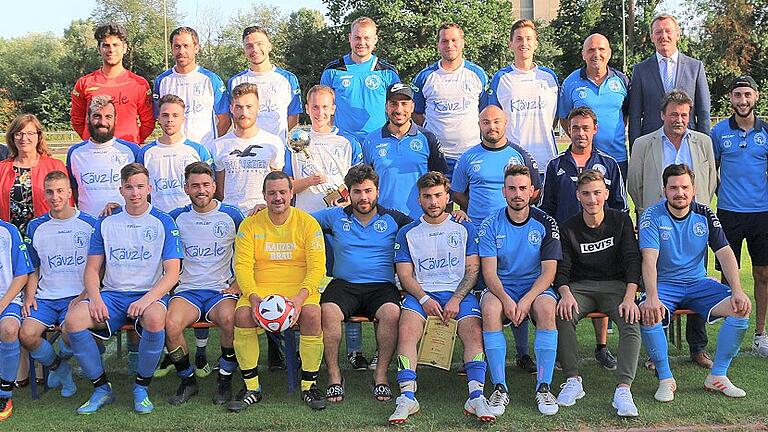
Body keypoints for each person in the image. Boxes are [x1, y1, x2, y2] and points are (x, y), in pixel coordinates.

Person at [64, 163, 182, 415]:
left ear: (149, 188)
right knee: (73, 320)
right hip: (113, 294)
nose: (135, 192)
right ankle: (101, 388)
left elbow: (172, 272)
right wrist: (94, 298)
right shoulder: (107, 223)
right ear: (121, 190)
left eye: (140, 186)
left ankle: (141, 388)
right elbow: (92, 269)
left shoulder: (163, 221)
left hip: (148, 294)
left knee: (154, 318)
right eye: (129, 187)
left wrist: (147, 299)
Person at [639, 164, 752, 402]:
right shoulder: (652, 215)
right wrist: (651, 297)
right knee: (649, 313)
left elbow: (725, 252)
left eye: (684, 187)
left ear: (694, 189)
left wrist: (738, 291)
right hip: (665, 285)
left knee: (740, 309)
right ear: (664, 190)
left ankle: (718, 375)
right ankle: (665, 379)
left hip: (698, 283)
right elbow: (649, 259)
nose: (679, 193)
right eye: (673, 188)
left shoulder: (705, 213)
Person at [388, 171, 494, 424]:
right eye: (427, 197)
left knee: (472, 332)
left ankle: (476, 395)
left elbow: (472, 270)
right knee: (407, 329)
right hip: (422, 295)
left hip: (459, 293)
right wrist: (424, 299)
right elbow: (405, 275)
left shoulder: (464, 227)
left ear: (448, 197)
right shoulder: (407, 232)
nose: (433, 201)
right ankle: (407, 397)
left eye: (438, 195)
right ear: (419, 200)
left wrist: (456, 299)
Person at [627, 90, 716, 369]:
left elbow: (710, 179)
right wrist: (650, 216)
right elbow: (635, 185)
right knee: (657, 284)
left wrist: (696, 212)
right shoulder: (643, 144)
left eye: (684, 114)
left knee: (698, 279)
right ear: (662, 115)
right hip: (657, 224)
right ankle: (658, 350)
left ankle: (698, 347)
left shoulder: (703, 142)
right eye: (674, 114)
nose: (679, 119)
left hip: (693, 224)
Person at [451, 104, 541, 373]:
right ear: (479, 124)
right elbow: (457, 193)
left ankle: (523, 353)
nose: (492, 127)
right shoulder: (467, 158)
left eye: (497, 122)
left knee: (515, 285)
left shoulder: (518, 155)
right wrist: (471, 214)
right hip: (479, 235)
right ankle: (480, 353)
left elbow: (532, 191)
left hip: (513, 233)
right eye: (486, 122)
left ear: (505, 124)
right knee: (481, 293)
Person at [230, 171, 327, 412]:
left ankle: (309, 385)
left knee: (313, 316)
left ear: (291, 194)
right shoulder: (250, 224)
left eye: (282, 192)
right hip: (260, 289)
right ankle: (251, 387)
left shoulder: (307, 223)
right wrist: (253, 298)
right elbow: (241, 265)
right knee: (241, 316)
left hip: (299, 289)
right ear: (263, 195)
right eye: (271, 193)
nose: (277, 197)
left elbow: (318, 267)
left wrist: (299, 299)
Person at [314, 164, 409, 404]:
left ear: (377, 190)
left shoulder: (394, 219)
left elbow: (429, 224)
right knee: (327, 311)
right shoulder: (334, 216)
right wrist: (265, 208)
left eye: (368, 190)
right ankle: (335, 376)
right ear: (349, 193)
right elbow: (295, 220)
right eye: (357, 191)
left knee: (391, 313)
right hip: (345, 285)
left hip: (381, 286)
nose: (363, 197)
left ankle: (380, 376)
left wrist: (455, 215)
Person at [541, 106, 627, 369]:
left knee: (600, 284)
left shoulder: (609, 164)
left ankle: (602, 347)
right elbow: (546, 208)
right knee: (566, 294)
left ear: (595, 130)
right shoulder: (555, 165)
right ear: (568, 129)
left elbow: (619, 206)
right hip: (567, 244)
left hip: (601, 243)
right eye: (575, 127)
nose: (580, 133)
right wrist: (554, 239)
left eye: (585, 128)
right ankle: (562, 352)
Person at [554, 169, 641, 417]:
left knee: (631, 319)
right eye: (586, 194)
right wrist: (565, 293)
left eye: (596, 193)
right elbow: (563, 268)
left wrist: (630, 297)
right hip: (580, 287)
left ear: (606, 193)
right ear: (578, 196)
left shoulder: (621, 221)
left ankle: (623, 389)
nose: (592, 199)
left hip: (615, 286)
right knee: (563, 314)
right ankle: (573, 380)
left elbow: (632, 260)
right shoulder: (568, 226)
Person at [479, 164, 562, 416]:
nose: (517, 194)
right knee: (491, 309)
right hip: (500, 287)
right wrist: (506, 299)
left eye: (523, 188)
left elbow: (549, 272)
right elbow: (489, 272)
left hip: (534, 287)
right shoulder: (490, 223)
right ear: (503, 191)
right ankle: (500, 387)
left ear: (532, 192)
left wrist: (526, 300)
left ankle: (544, 387)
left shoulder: (546, 222)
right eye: (512, 188)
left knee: (547, 308)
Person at [164, 162, 243, 405]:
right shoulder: (175, 218)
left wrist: (238, 282)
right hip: (187, 290)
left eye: (206, 185)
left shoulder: (232, 215)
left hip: (220, 290)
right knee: (171, 324)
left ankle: (225, 380)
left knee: (231, 319)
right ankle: (188, 380)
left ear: (214, 186)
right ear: (186, 188)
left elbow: (248, 252)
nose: (201, 190)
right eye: (195, 185)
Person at [19, 171, 97, 400]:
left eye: (60, 191)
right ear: (44, 194)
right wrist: (30, 296)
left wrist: (85, 294)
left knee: (68, 333)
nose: (55, 197)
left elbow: (98, 267)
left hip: (76, 296)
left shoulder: (90, 224)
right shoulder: (35, 226)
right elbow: (34, 267)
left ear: (70, 193)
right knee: (27, 335)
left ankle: (61, 359)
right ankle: (60, 368)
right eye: (50, 192)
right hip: (46, 296)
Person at [710, 76, 768, 357]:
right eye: (737, 95)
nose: (742, 101)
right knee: (727, 278)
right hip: (729, 214)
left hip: (762, 214)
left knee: (763, 273)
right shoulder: (718, 132)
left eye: (747, 95)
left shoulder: (766, 131)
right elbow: (713, 171)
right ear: (730, 99)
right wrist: (725, 195)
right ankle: (728, 332)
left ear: (756, 97)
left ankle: (760, 334)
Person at [412, 23, 488, 178]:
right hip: (437, 155)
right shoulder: (424, 77)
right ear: (438, 45)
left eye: (454, 40)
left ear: (462, 42)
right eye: (444, 41)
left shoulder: (478, 74)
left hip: (472, 152)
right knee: (438, 202)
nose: (450, 45)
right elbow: (416, 114)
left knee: (471, 201)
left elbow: (486, 112)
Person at [484, 19, 559, 177]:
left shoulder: (549, 77)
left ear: (536, 43)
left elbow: (555, 117)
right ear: (510, 44)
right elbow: (494, 120)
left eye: (528, 38)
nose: (524, 43)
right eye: (518, 39)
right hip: (512, 161)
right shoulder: (501, 78)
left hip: (546, 160)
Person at [362, 83, 447, 217]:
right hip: (383, 219)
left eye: (404, 103)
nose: (399, 109)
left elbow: (442, 182)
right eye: (394, 103)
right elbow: (365, 183)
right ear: (386, 107)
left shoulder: (427, 138)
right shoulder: (370, 140)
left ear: (412, 106)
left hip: (420, 219)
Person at [628, 14, 710, 148]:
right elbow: (635, 116)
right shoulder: (640, 70)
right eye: (658, 32)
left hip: (688, 142)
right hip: (653, 143)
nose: (663, 36)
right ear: (652, 37)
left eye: (668, 31)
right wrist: (635, 149)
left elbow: (704, 113)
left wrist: (704, 147)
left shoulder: (695, 67)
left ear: (678, 34)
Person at [558, 34, 630, 179]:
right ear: (583, 54)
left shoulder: (621, 80)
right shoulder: (571, 82)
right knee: (585, 200)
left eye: (601, 49)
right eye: (591, 50)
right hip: (584, 158)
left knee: (616, 201)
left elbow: (625, 115)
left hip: (617, 157)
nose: (596, 54)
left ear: (609, 53)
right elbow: (564, 118)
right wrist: (580, 140)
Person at [320, 16, 400, 144]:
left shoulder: (388, 73)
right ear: (349, 38)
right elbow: (323, 110)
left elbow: (397, 110)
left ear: (375, 40)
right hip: (342, 142)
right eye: (357, 37)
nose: (362, 42)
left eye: (367, 38)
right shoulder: (332, 71)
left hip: (379, 141)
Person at [71, 23, 154, 144]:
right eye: (106, 45)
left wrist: (131, 143)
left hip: (128, 154)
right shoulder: (84, 83)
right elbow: (77, 121)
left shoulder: (139, 84)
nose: (111, 50)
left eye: (115, 45)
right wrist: (93, 140)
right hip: (94, 150)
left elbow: (148, 122)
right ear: (99, 49)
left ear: (124, 48)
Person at [284, 85, 362, 213]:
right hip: (306, 218)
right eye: (315, 107)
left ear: (333, 109)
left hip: (340, 216)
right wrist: (309, 181)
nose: (320, 113)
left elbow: (359, 184)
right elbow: (286, 188)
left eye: (325, 107)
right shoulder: (294, 142)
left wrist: (350, 201)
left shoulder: (348, 142)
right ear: (307, 109)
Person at [211, 83, 284, 214]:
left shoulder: (273, 142)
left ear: (258, 108)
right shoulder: (218, 145)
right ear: (231, 108)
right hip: (231, 216)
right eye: (239, 107)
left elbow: (278, 184)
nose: (244, 113)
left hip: (263, 215)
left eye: (249, 107)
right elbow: (220, 190)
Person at [153, 27, 231, 150]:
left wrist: (210, 146)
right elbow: (159, 118)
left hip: (204, 154)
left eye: (186, 45)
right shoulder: (162, 81)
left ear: (196, 48)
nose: (181, 51)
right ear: (172, 49)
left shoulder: (211, 80)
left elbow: (225, 120)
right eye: (177, 46)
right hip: (173, 151)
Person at [66, 95, 141, 217]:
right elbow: (74, 190)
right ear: (87, 119)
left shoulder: (132, 151)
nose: (102, 122)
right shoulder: (75, 153)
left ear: (115, 120)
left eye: (108, 117)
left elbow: (142, 192)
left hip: (124, 223)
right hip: (88, 226)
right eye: (97, 116)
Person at [138, 94, 212, 214]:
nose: (170, 119)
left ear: (183, 119)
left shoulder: (198, 150)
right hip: (158, 218)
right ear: (158, 118)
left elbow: (210, 187)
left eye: (175, 115)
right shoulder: (146, 153)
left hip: (190, 218)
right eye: (165, 115)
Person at [228, 26, 302, 145]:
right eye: (249, 46)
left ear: (269, 46)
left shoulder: (288, 79)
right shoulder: (235, 81)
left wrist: (277, 142)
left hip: (277, 151)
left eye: (259, 44)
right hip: (246, 152)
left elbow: (293, 117)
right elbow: (234, 118)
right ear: (244, 50)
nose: (254, 49)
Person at [1, 114, 71, 233]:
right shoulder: (2, 168)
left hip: (47, 235)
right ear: (12, 137)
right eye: (19, 133)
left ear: (38, 136)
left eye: (30, 133)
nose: (24, 138)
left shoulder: (55, 166)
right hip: (10, 239)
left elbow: (67, 204)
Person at [0, 219, 33, 421]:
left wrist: (2, 304)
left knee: (10, 328)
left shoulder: (8, 231)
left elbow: (22, 275)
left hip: (7, 299)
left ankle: (4, 394)